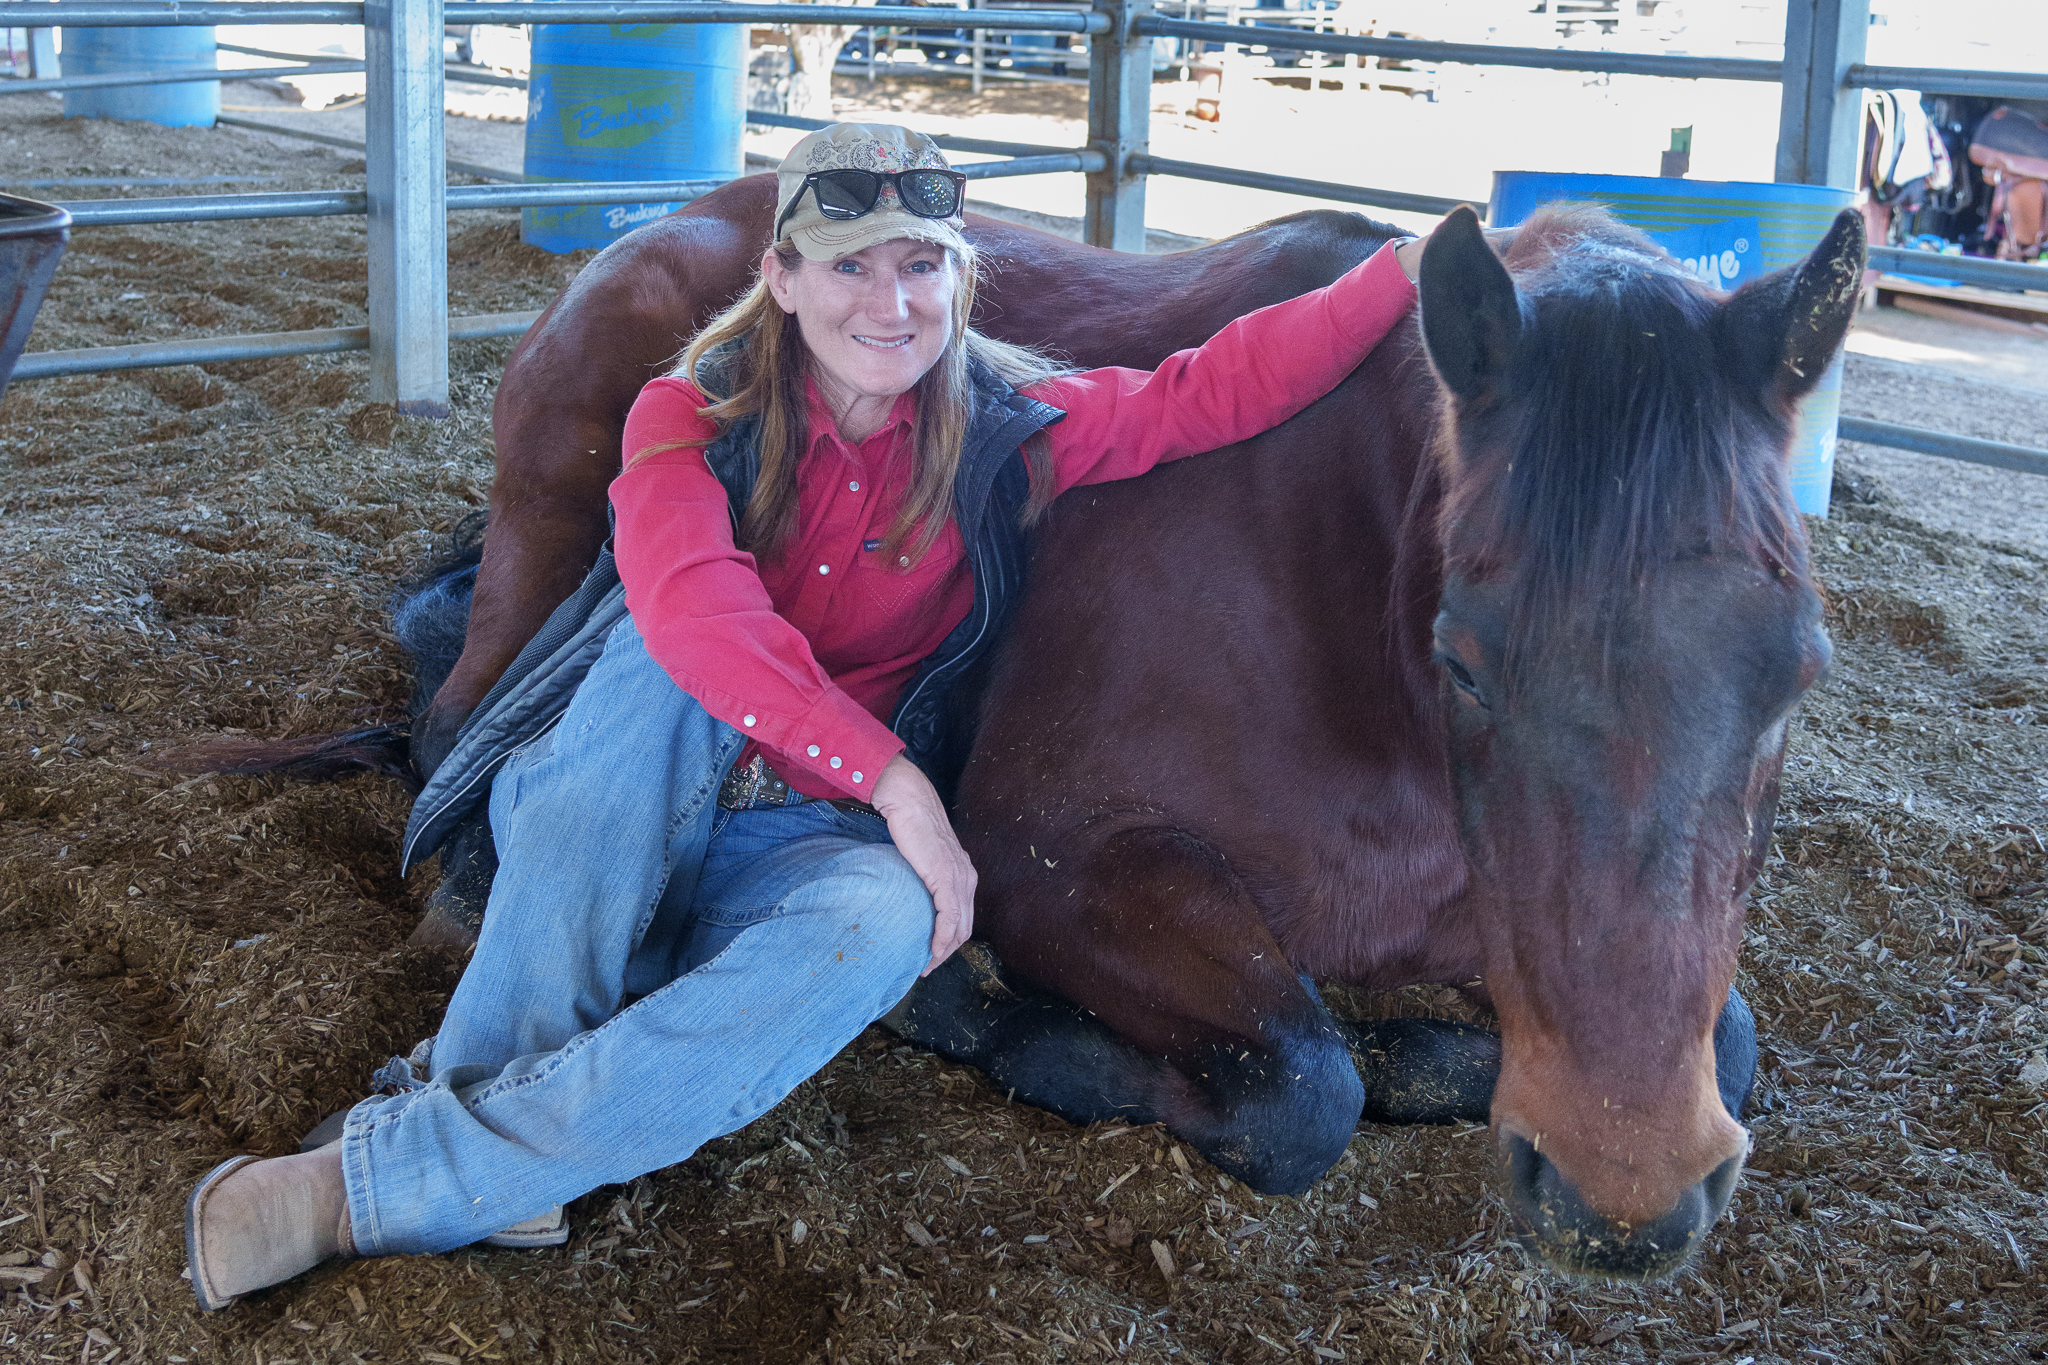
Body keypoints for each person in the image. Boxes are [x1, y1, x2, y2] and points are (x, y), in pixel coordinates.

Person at [182, 122, 1425, 1309]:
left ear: (959, 280)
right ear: (780, 279)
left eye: (922, 267)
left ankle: (428, 1159)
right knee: (660, 672)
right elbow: (699, 619)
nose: (890, 305)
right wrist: (897, 785)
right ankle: (429, 1165)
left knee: (888, 917)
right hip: (620, 790)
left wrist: (1405, 271)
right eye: (848, 268)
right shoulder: (686, 413)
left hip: (789, 838)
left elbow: (1212, 389)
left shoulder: (1006, 430)